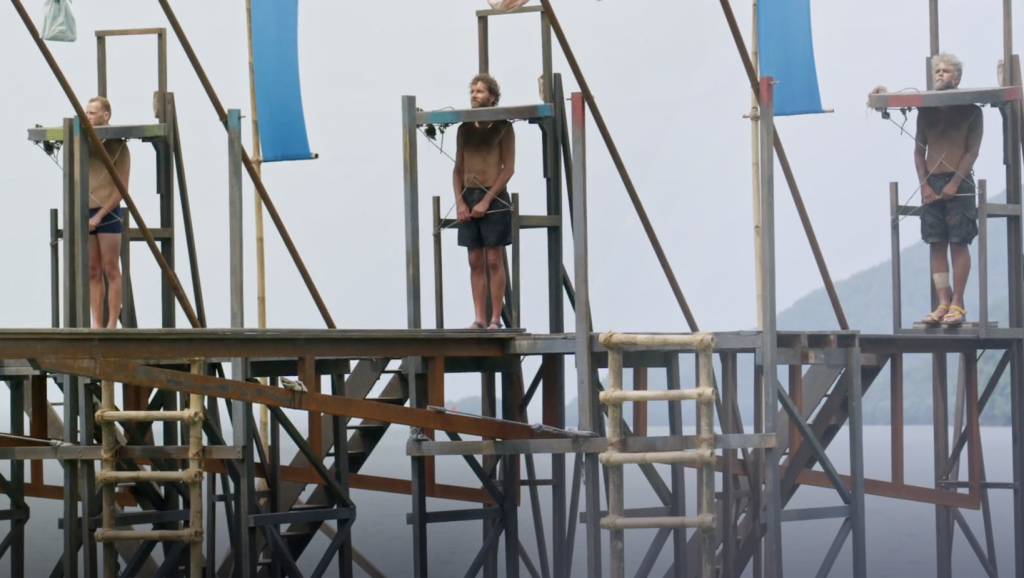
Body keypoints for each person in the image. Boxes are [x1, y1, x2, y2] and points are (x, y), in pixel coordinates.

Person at [916, 52, 983, 327]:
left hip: (960, 182)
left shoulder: (972, 110)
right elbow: (918, 152)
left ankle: (957, 302)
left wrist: (955, 182)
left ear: (957, 78)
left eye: (945, 71)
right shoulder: (925, 112)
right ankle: (942, 302)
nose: (940, 74)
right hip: (932, 182)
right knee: (935, 242)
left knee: (958, 242)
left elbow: (972, 151)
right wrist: (924, 185)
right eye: (937, 71)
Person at [452, 73, 516, 329]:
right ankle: (479, 318)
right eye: (473, 91)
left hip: (494, 195)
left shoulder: (503, 127)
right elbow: (458, 169)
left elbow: (508, 169)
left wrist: (486, 201)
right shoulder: (464, 128)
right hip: (468, 195)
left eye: (480, 91)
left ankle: (495, 319)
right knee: (474, 260)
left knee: (493, 259)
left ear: (492, 97)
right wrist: (460, 202)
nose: (474, 95)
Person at [84, 96, 131, 329]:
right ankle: (96, 323)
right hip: (85, 210)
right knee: (93, 270)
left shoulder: (119, 146)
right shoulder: (83, 143)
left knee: (110, 268)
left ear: (106, 115)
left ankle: (112, 324)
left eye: (92, 113)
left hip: (108, 212)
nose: (88, 117)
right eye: (87, 113)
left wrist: (100, 215)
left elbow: (122, 188)